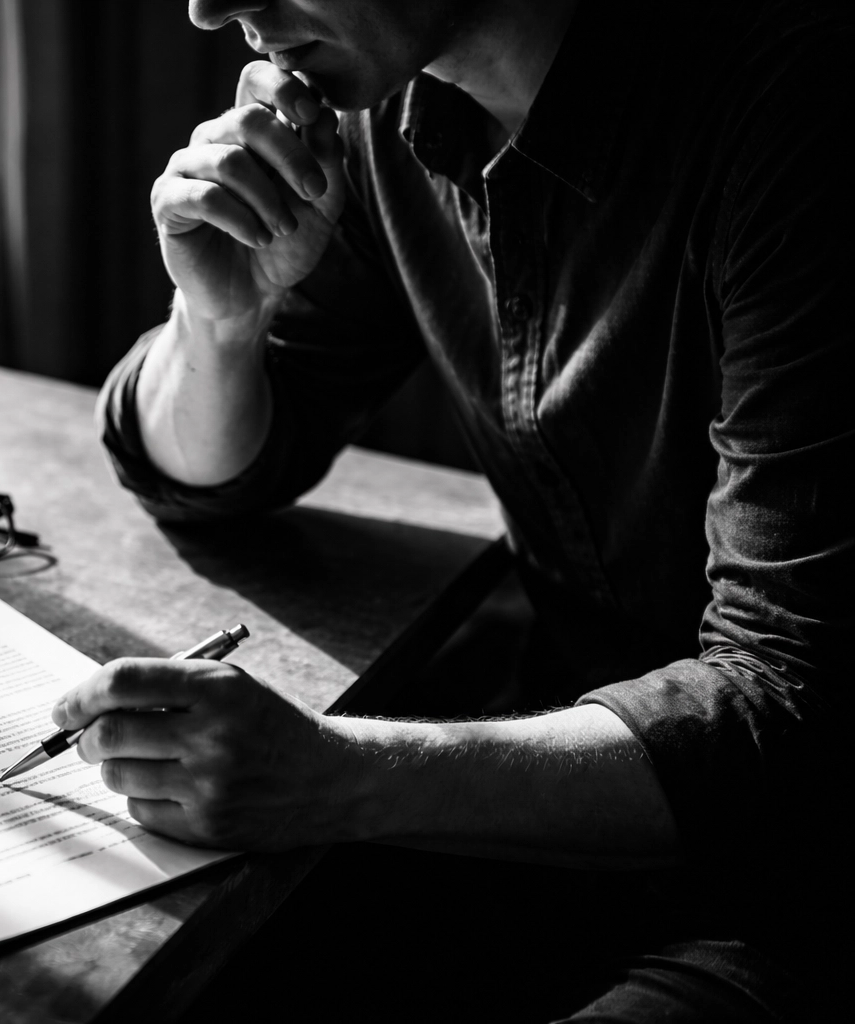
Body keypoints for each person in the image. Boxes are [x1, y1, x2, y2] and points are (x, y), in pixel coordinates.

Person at [57, 0, 850, 1018]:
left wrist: (340, 776)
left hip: (801, 879)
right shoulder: (394, 114)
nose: (210, 7)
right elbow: (207, 469)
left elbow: (794, 713)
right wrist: (221, 319)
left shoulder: (800, 108)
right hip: (576, 808)